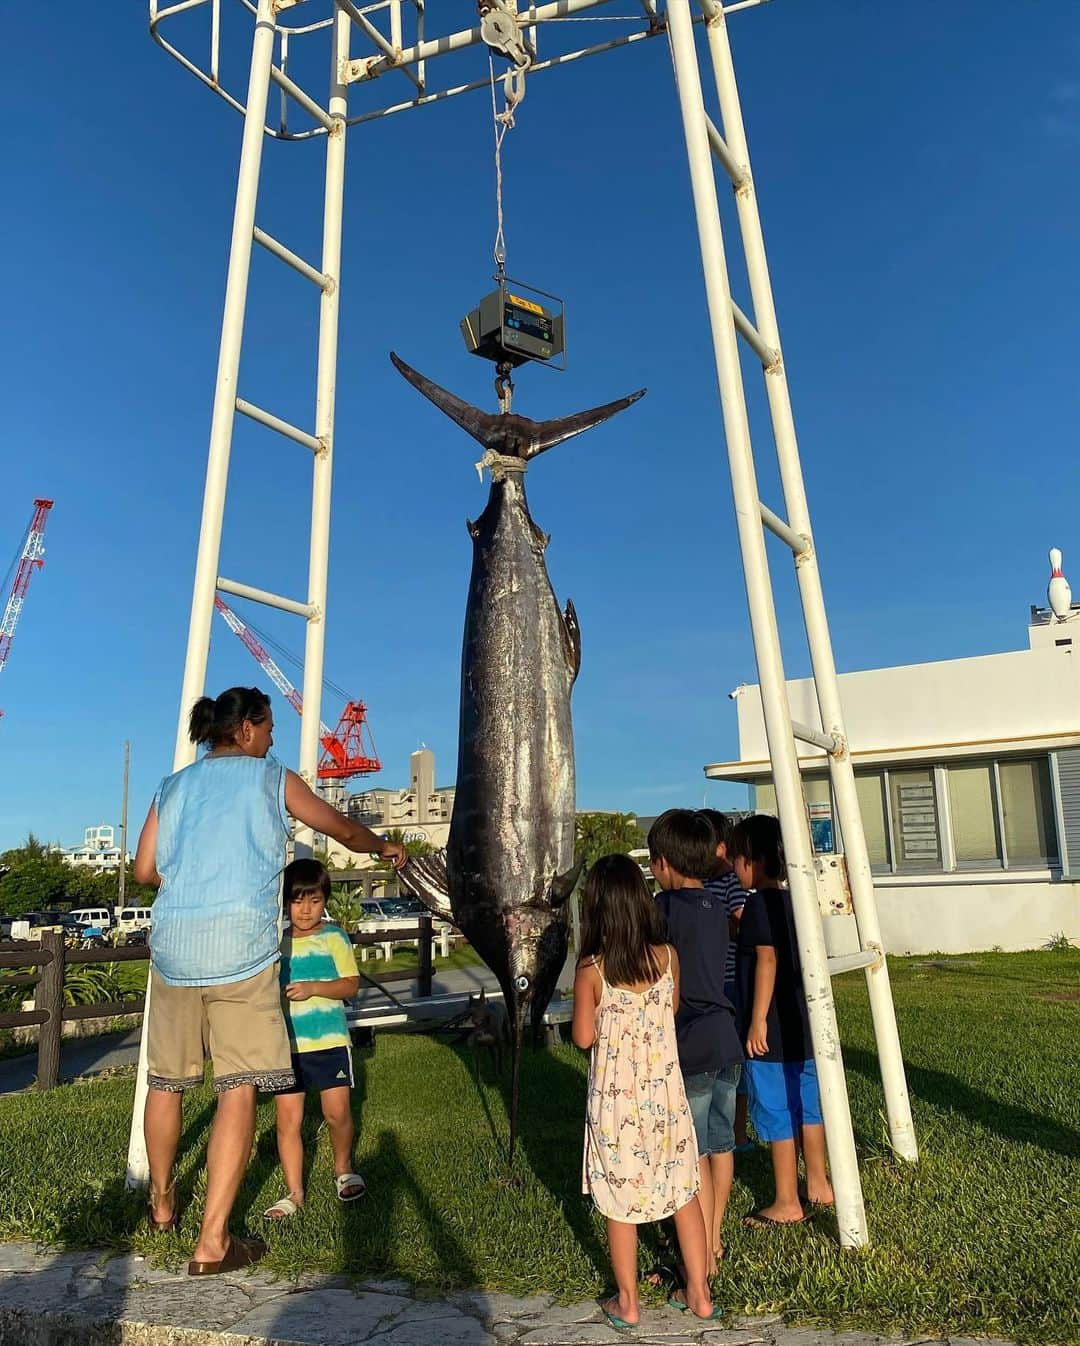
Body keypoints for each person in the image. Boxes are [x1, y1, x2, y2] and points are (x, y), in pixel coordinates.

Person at [132, 686, 406, 1276]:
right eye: (271, 725)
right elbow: (342, 829)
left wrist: (193, 893)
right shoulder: (270, 777)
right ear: (249, 729)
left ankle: (160, 1202)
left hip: (174, 950)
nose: (276, 736)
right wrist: (384, 846)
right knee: (238, 1087)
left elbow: (144, 869)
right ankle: (212, 1242)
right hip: (241, 955)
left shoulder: (172, 786)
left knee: (167, 1081)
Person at [573, 854, 720, 1331]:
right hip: (666, 1095)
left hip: (617, 1104)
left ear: (596, 909)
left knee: (620, 1202)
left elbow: (581, 1037)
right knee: (682, 1191)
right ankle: (698, 1293)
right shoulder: (667, 957)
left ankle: (628, 1302)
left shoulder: (592, 969)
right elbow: (671, 1009)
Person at [648, 810, 742, 1271]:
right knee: (721, 1143)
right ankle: (715, 1233)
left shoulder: (663, 910)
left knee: (694, 1150)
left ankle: (701, 1252)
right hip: (727, 1039)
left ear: (664, 862)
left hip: (691, 1040)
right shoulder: (717, 907)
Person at [730, 814, 834, 1226]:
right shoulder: (799, 902)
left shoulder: (757, 904)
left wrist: (757, 1021)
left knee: (776, 1111)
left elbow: (767, 960)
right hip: (803, 1025)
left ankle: (787, 1200)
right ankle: (820, 1184)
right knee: (808, 1106)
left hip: (770, 1031)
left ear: (752, 862)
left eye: (737, 860)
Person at [263, 858, 364, 1219]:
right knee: (287, 1121)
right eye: (297, 900)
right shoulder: (275, 941)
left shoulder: (334, 938)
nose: (305, 910)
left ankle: (343, 1168)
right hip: (285, 1047)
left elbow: (350, 985)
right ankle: (294, 1192)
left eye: (314, 900)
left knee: (336, 1114)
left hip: (330, 1044)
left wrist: (314, 989)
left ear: (325, 901)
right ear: (284, 902)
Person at [699, 808, 751, 1153]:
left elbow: (742, 926)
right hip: (708, 981)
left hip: (730, 982)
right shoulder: (700, 883)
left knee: (734, 1062)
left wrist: (721, 923)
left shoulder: (731, 881)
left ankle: (738, 1131)